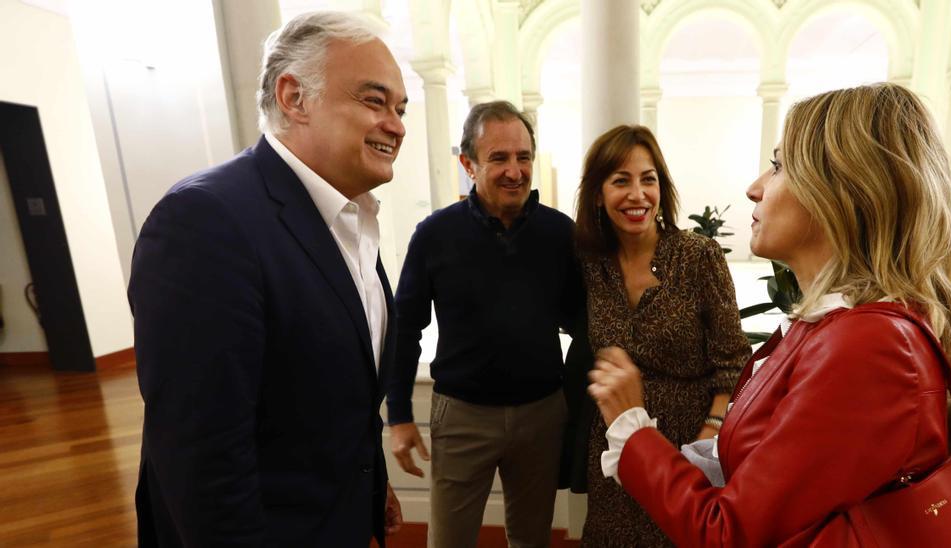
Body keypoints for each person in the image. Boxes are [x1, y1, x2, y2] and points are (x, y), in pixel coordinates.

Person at [587, 84, 951, 546]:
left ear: (841, 190)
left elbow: (728, 534)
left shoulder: (869, 344)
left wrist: (632, 426)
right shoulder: (837, 327)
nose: (754, 189)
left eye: (778, 165)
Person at [130, 11, 406, 546]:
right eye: (374, 101)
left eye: (399, 107)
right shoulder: (206, 220)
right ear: (293, 97)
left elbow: (335, 396)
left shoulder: (351, 220)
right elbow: (202, 460)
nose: (395, 124)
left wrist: (372, 486)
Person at [386, 101, 583, 548]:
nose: (515, 171)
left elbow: (582, 320)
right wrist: (398, 416)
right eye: (499, 158)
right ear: (468, 164)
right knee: (449, 542)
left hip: (542, 415)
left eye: (523, 157)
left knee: (531, 539)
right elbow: (405, 328)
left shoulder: (559, 234)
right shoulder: (434, 235)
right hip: (462, 417)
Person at [572, 125, 751, 546]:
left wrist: (705, 441)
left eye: (647, 179)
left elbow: (734, 362)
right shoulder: (592, 264)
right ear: (598, 194)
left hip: (686, 449)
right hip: (615, 447)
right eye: (621, 181)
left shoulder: (697, 256)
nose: (637, 195)